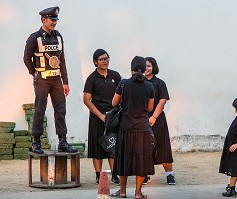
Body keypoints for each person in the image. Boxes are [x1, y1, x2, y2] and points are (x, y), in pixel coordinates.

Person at [23, 6, 77, 154]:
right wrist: (34, 73)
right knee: (40, 109)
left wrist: (65, 81)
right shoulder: (34, 37)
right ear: (43, 20)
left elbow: (62, 60)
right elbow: (27, 59)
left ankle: (62, 142)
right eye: (52, 20)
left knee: (61, 110)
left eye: (55, 20)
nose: (54, 22)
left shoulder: (58, 36)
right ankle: (36, 142)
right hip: (42, 79)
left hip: (56, 80)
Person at [111, 56, 155, 199]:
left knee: (123, 159)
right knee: (141, 160)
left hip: (125, 127)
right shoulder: (149, 86)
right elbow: (150, 108)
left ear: (131, 68)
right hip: (142, 128)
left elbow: (113, 103)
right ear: (144, 69)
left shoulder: (123, 84)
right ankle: (138, 193)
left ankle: (122, 191)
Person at [83, 49, 121, 185]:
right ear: (95, 62)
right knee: (97, 147)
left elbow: (121, 95)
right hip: (97, 116)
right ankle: (98, 175)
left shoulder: (115, 76)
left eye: (106, 58)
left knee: (113, 145)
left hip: (113, 116)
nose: (104, 61)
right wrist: (100, 115)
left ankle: (115, 174)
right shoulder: (91, 78)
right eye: (101, 59)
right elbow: (87, 100)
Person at [143, 57, 175, 185]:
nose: (146, 68)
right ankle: (145, 174)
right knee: (144, 148)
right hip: (142, 119)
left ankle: (170, 174)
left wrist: (154, 117)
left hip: (158, 119)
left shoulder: (160, 83)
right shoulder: (139, 82)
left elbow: (162, 101)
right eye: (144, 66)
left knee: (163, 146)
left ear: (154, 67)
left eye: (149, 66)